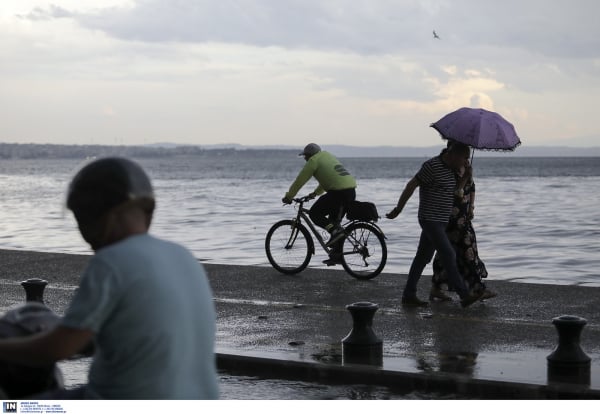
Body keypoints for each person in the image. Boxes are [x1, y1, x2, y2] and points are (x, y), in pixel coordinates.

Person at [0, 157, 219, 399]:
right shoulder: (182, 255)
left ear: (100, 217)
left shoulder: (110, 262)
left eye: (82, 220)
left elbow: (58, 348)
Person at [386, 142, 483, 308]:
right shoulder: (432, 166)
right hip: (429, 219)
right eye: (464, 158)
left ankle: (409, 295)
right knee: (449, 254)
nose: (466, 162)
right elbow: (411, 186)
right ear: (453, 155)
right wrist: (398, 209)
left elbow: (457, 193)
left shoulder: (453, 170)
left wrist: (466, 176)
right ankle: (464, 295)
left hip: (442, 221)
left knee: (422, 258)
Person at [430, 159, 496, 301]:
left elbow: (471, 188)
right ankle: (478, 289)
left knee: (452, 253)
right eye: (462, 154)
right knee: (466, 252)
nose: (465, 158)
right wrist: (465, 176)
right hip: (451, 219)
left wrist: (471, 206)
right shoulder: (448, 171)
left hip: (464, 218)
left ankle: (437, 287)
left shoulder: (466, 168)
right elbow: (455, 194)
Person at [282, 143, 357, 265]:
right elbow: (329, 179)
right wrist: (314, 194)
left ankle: (335, 233)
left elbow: (300, 181)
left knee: (314, 214)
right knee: (334, 223)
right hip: (350, 192)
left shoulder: (313, 161)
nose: (305, 159)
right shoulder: (328, 156)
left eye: (305, 156)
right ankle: (337, 255)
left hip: (338, 194)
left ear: (309, 155)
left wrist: (289, 197)